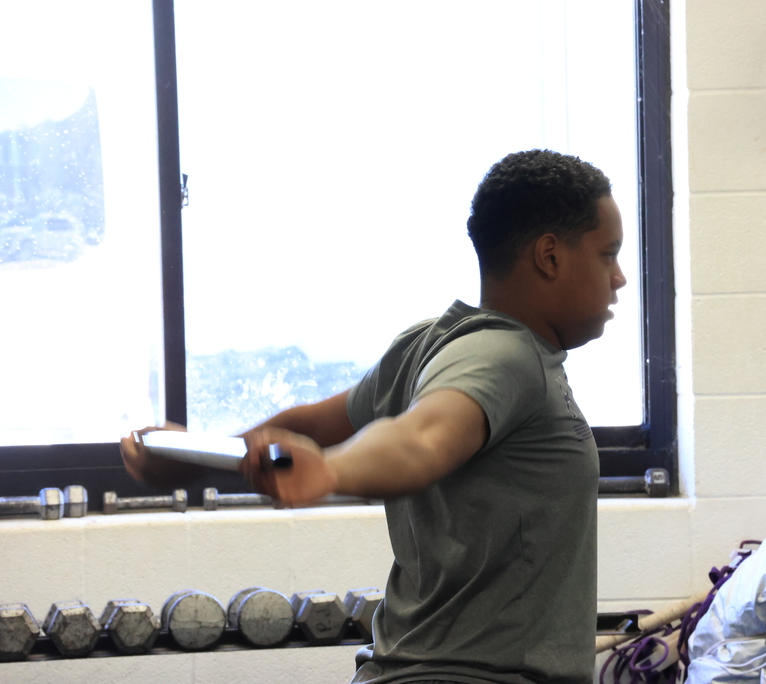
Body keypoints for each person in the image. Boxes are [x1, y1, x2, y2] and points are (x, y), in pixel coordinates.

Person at [121, 149, 626, 683]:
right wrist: (330, 471)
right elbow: (420, 439)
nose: (618, 278)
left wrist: (187, 458)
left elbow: (310, 427)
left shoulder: (429, 344)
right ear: (550, 256)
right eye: (607, 255)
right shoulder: (508, 356)